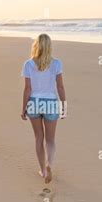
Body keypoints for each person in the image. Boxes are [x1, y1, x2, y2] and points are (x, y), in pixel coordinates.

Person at [21, 34, 66, 183]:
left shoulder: (28, 64)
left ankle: (42, 170)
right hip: (51, 103)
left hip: (34, 102)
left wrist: (23, 109)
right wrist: (63, 106)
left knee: (38, 138)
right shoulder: (56, 64)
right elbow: (60, 86)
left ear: (36, 45)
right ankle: (49, 165)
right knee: (51, 140)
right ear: (49, 46)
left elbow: (27, 89)